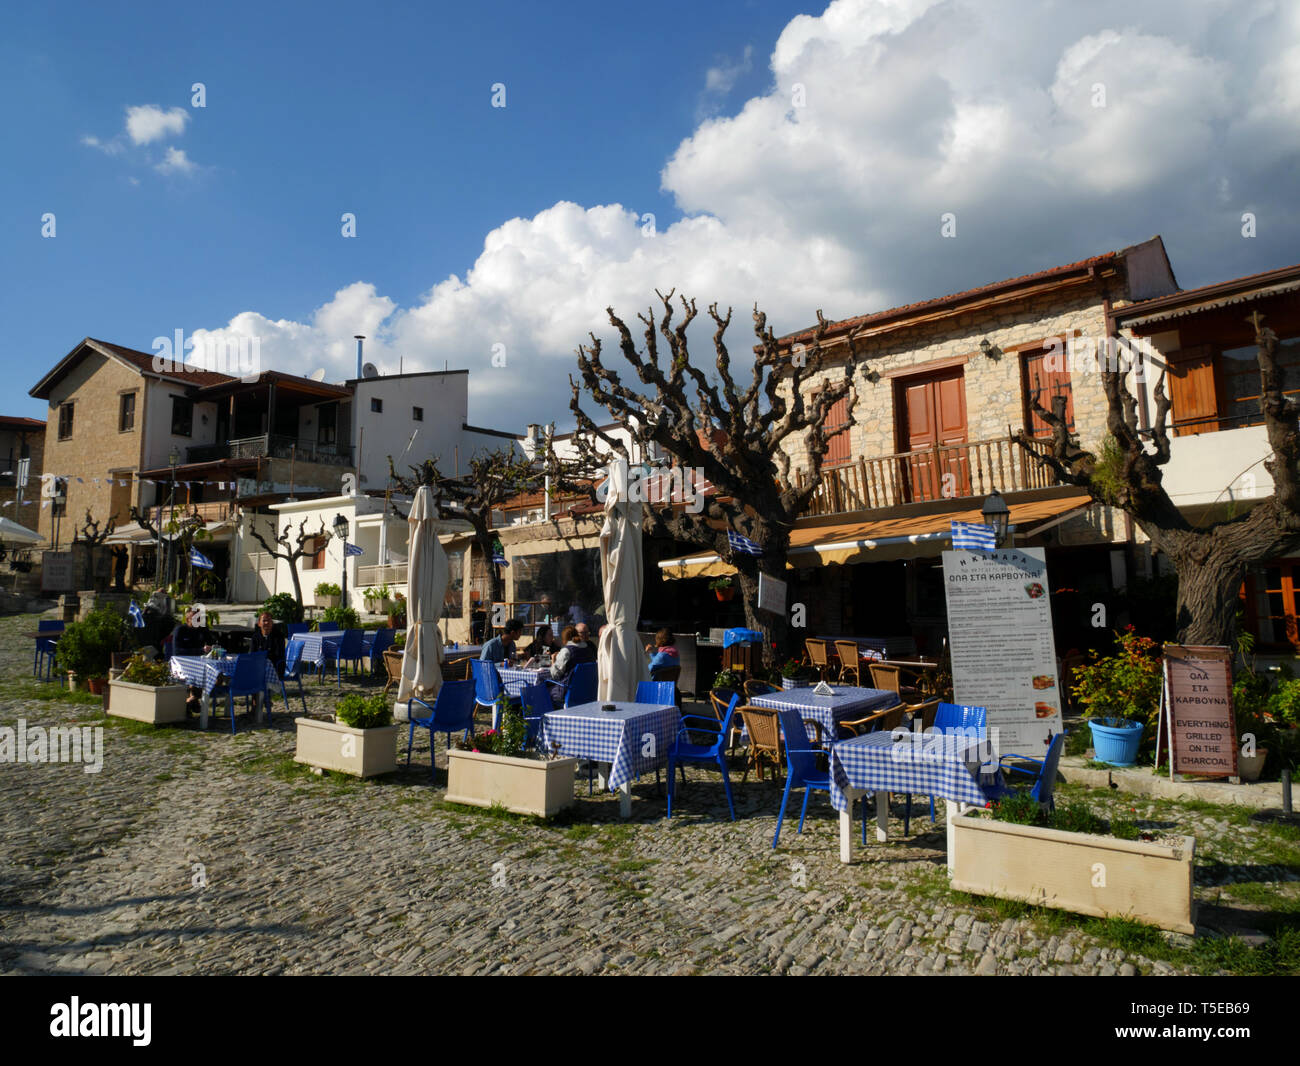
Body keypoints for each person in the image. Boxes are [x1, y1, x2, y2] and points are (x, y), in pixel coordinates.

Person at [549, 624, 596, 706]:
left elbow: (554, 675)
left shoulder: (566, 651)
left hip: (568, 692)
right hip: (587, 691)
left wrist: (553, 660)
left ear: (564, 639)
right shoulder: (589, 650)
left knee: (542, 689)